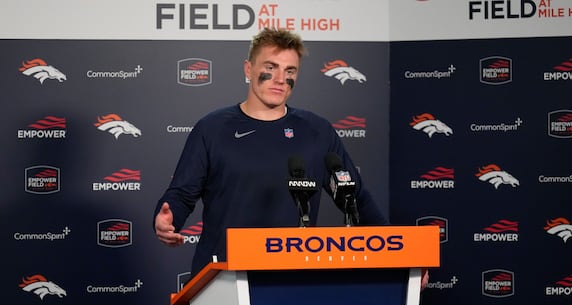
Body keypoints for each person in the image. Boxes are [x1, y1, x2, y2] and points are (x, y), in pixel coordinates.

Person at [153, 27, 429, 289]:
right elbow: (181, 194)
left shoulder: (316, 131)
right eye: (270, 68)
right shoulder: (212, 128)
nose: (280, 79)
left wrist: (402, 255)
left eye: (289, 71)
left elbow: (355, 199)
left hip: (292, 282)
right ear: (248, 69)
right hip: (221, 280)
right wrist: (167, 219)